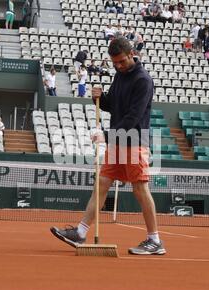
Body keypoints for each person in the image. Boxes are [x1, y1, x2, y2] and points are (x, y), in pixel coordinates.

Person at [50, 37, 165, 255]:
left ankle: (155, 240)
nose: (119, 66)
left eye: (122, 61)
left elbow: (134, 116)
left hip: (134, 141)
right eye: (115, 63)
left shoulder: (143, 80)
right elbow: (112, 105)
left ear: (132, 54)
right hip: (118, 141)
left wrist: (105, 134)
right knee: (102, 183)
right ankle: (81, 233)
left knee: (140, 189)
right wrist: (99, 98)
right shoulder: (119, 76)